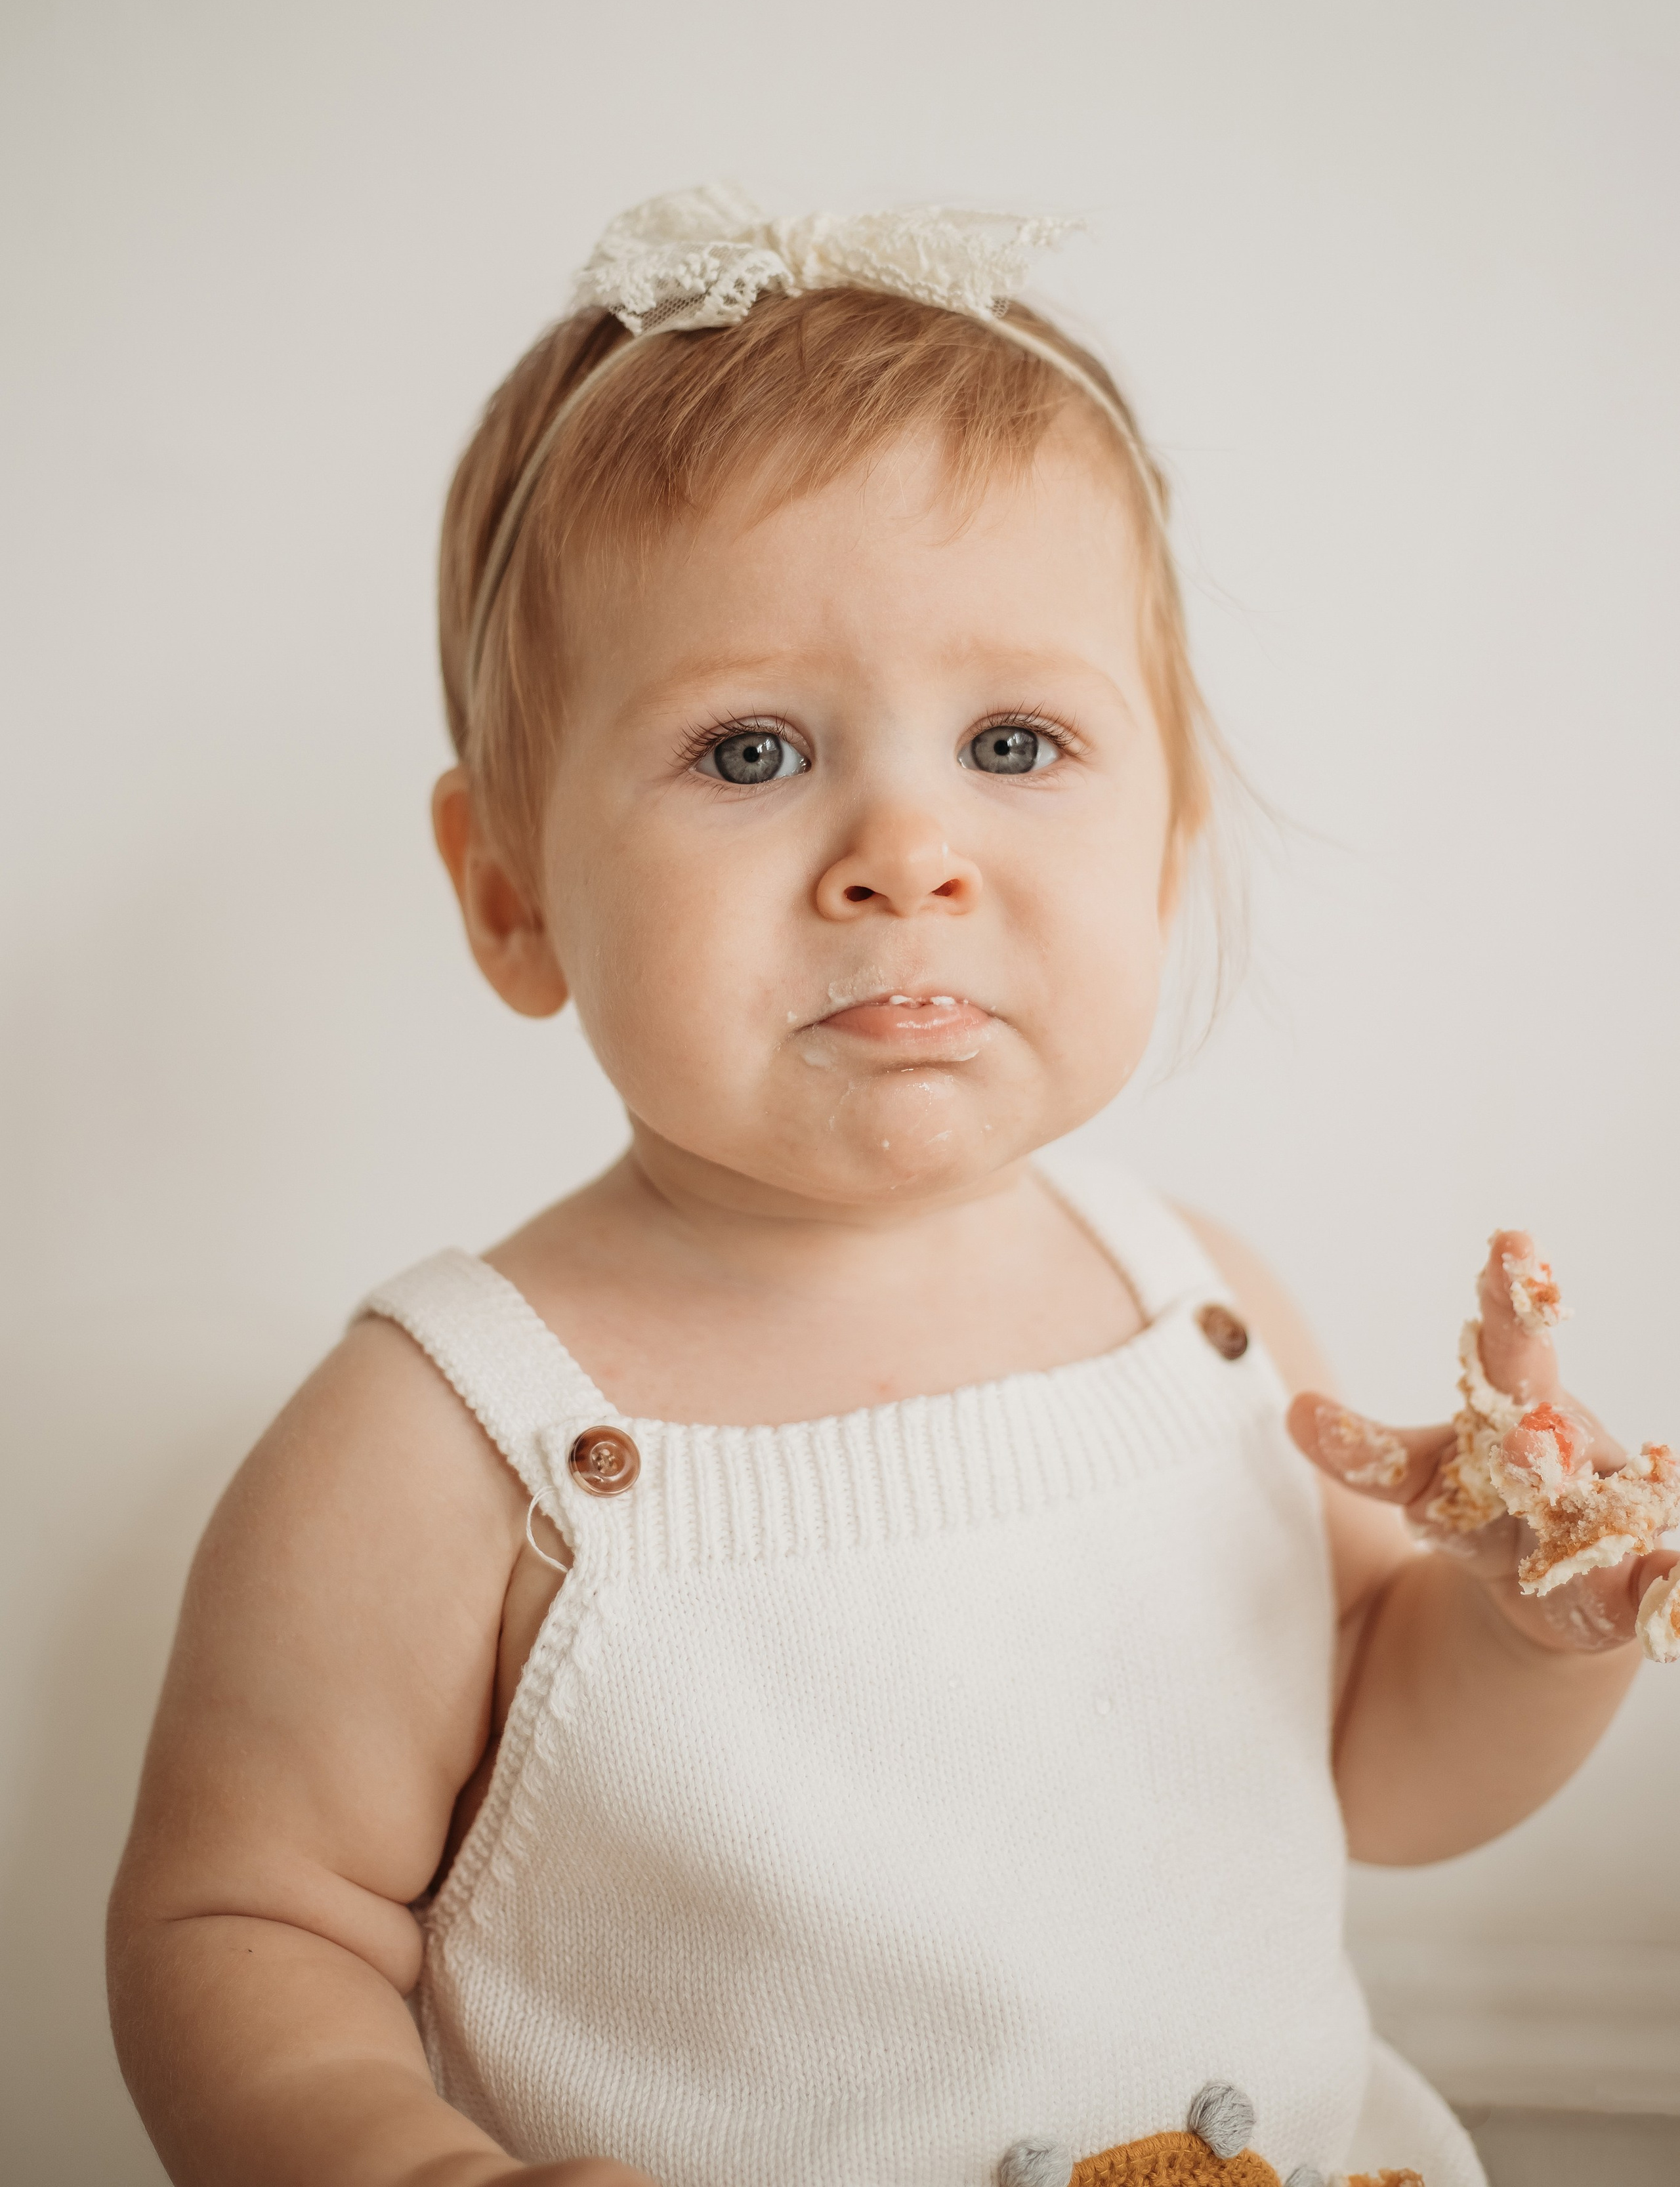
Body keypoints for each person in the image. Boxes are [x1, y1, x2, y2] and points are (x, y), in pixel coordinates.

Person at [106, 189, 1672, 2187]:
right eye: (752, 752)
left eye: (1014, 740)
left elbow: (1373, 1756)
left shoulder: (1200, 1319)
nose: (909, 850)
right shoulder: (450, 1442)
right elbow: (248, 1922)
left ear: (1165, 852)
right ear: (510, 892)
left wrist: (1531, 1635)